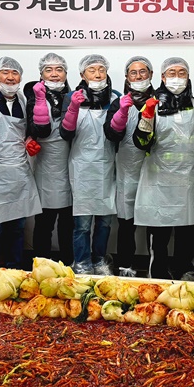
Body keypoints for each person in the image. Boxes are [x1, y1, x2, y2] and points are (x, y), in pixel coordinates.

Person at [133, 57, 194, 280]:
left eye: (181, 73)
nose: (177, 78)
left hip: (188, 180)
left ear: (188, 77)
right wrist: (146, 117)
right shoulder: (152, 104)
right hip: (159, 181)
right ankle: (158, 277)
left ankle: (184, 273)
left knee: (187, 231)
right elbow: (141, 143)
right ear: (162, 77)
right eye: (172, 73)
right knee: (159, 233)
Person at [0, 57, 42, 270]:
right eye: (5, 72)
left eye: (15, 73)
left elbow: (25, 131)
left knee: (18, 228)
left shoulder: (22, 100)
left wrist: (29, 143)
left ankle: (15, 269)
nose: (10, 77)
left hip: (19, 172)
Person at [59, 54, 120, 275]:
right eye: (92, 70)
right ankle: (82, 262)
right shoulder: (71, 97)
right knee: (82, 224)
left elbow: (118, 133)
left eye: (101, 69)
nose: (97, 74)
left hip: (107, 167)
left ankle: (99, 260)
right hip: (82, 168)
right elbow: (65, 133)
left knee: (104, 222)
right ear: (82, 74)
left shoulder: (115, 97)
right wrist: (73, 108)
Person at [104, 56, 156, 277]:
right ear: (126, 77)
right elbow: (111, 134)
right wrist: (121, 113)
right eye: (133, 73)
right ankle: (125, 266)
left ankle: (156, 269)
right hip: (128, 169)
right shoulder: (119, 102)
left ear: (151, 74)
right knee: (126, 224)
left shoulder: (160, 100)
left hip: (155, 169)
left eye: (143, 71)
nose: (138, 76)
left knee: (155, 223)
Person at [25, 53, 74, 265]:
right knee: (44, 223)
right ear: (41, 74)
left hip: (70, 166)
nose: (54, 74)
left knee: (68, 224)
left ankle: (69, 264)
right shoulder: (34, 97)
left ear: (66, 73)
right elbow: (30, 126)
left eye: (59, 69)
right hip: (45, 166)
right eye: (49, 70)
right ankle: (41, 264)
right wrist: (29, 139)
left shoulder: (74, 97)